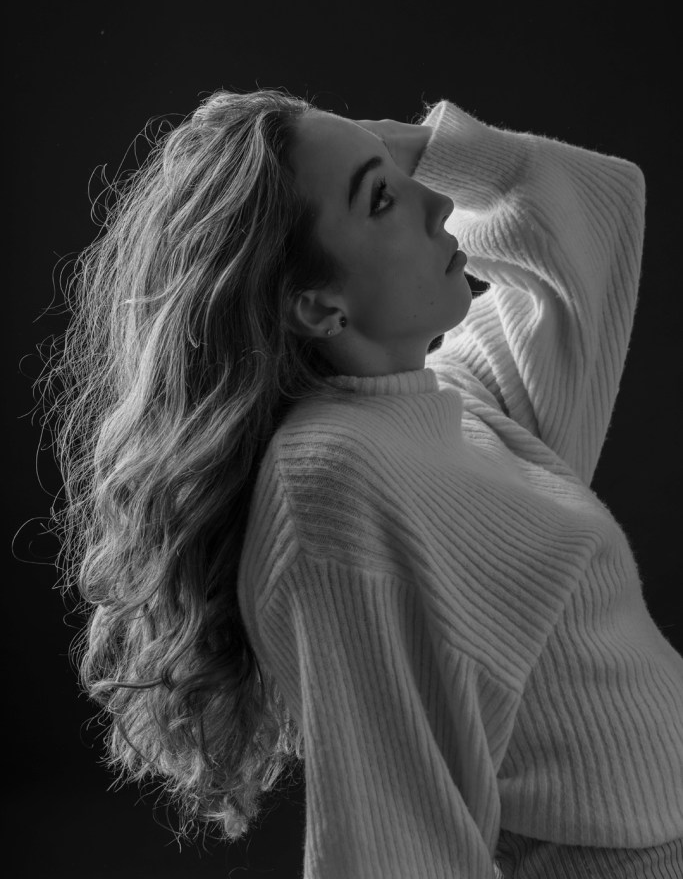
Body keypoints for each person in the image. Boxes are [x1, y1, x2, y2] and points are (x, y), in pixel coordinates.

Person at [37, 88, 683, 878]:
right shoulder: (333, 481)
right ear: (315, 304)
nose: (440, 202)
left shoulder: (456, 404)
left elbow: (598, 207)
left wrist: (403, 148)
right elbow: (388, 837)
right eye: (381, 199)